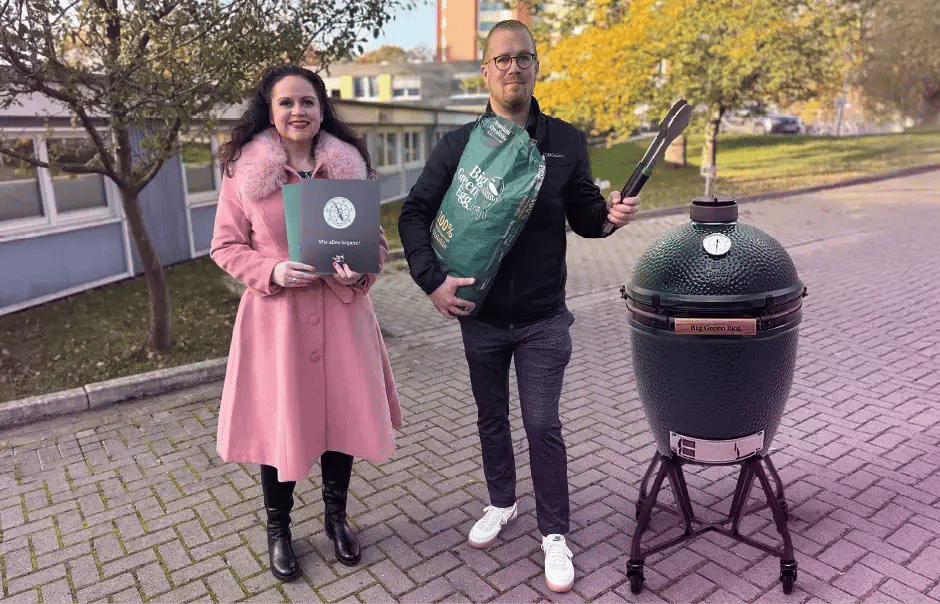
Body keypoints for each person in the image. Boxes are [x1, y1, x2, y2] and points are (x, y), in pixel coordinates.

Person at [398, 20, 639, 593]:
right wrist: (432, 283)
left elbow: (584, 217)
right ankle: (502, 502)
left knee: (541, 421)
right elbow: (413, 213)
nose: (513, 68)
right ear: (485, 71)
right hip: (478, 318)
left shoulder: (565, 141)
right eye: (502, 59)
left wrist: (609, 218)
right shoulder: (460, 147)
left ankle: (555, 532)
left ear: (536, 67)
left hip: (543, 317)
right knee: (490, 419)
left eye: (523, 58)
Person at [211, 64, 402, 582]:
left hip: (342, 317)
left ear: (323, 108)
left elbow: (376, 242)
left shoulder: (348, 165)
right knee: (282, 426)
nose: (299, 111)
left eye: (309, 102)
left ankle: (336, 518)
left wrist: (364, 265)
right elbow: (225, 246)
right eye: (287, 103)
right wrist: (269, 269)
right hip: (277, 325)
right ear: (270, 112)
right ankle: (279, 530)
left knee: (339, 422)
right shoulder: (242, 172)